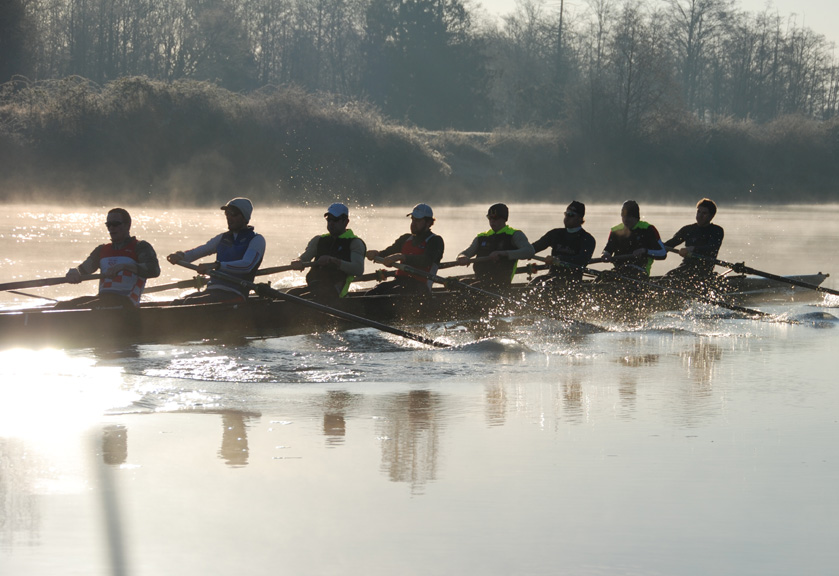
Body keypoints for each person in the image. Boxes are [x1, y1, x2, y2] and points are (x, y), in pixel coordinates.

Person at [166, 197, 265, 303]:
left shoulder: (256, 240)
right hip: (212, 291)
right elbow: (197, 252)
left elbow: (247, 265)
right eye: (227, 214)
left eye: (233, 214)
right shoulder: (223, 238)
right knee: (178, 302)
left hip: (235, 294)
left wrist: (216, 265)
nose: (229, 217)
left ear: (245, 218)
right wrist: (180, 255)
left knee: (188, 302)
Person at [59, 207, 160, 309]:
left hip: (127, 302)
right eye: (108, 225)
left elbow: (154, 270)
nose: (111, 228)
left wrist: (124, 267)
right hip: (103, 299)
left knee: (87, 307)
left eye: (115, 224)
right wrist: (74, 272)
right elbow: (83, 270)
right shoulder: (101, 250)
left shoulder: (140, 247)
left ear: (127, 225)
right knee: (61, 306)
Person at [288, 203, 366, 303]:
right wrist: (298, 261)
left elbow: (358, 269)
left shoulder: (355, 243)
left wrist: (334, 261)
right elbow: (304, 258)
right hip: (315, 288)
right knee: (291, 294)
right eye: (329, 220)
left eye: (335, 220)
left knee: (297, 300)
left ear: (346, 222)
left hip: (335, 294)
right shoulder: (318, 240)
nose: (331, 223)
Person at [365, 203, 444, 296]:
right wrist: (377, 254)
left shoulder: (435, 241)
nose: (413, 224)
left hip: (421, 288)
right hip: (399, 282)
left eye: (418, 220)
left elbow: (426, 261)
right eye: (413, 219)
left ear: (428, 223)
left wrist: (402, 257)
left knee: (391, 296)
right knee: (371, 294)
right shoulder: (405, 238)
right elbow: (388, 252)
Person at [455, 203, 534, 291]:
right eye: (490, 218)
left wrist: (503, 253)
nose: (492, 221)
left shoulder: (514, 235)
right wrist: (462, 257)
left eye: (495, 218)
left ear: (504, 219)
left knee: (469, 288)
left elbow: (529, 251)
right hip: (480, 282)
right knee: (457, 284)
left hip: (500, 285)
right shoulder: (482, 237)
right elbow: (466, 253)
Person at [529, 200, 596, 285]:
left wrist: (559, 258)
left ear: (580, 218)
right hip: (551, 276)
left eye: (571, 215)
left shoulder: (587, 239)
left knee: (546, 285)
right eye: (566, 214)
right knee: (534, 282)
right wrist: (522, 251)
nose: (567, 217)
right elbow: (535, 247)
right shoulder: (555, 234)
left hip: (572, 281)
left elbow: (582, 260)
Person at [663, 198, 724, 285]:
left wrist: (692, 249)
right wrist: (654, 246)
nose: (700, 216)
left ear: (711, 216)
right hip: (685, 267)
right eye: (698, 212)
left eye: (704, 213)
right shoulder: (688, 230)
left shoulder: (716, 231)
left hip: (704, 271)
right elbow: (670, 244)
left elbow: (712, 248)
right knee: (667, 278)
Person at [601, 200, 667, 278]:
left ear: (636, 217)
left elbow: (662, 253)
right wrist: (605, 254)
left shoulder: (648, 229)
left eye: (629, 217)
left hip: (640, 272)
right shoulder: (615, 231)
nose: (626, 220)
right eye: (623, 216)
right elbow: (607, 249)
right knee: (603, 276)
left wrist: (645, 251)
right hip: (619, 270)